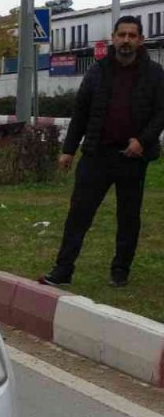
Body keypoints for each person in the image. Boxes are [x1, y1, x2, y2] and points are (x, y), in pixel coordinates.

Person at [42, 15, 164, 288]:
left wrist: (143, 141)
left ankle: (120, 270)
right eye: (122, 35)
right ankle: (63, 269)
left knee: (129, 217)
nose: (126, 40)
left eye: (132, 36)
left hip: (133, 157)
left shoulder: (155, 74)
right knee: (79, 214)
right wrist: (68, 150)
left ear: (141, 40)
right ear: (114, 38)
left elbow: (161, 112)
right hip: (97, 154)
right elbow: (81, 113)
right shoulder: (97, 71)